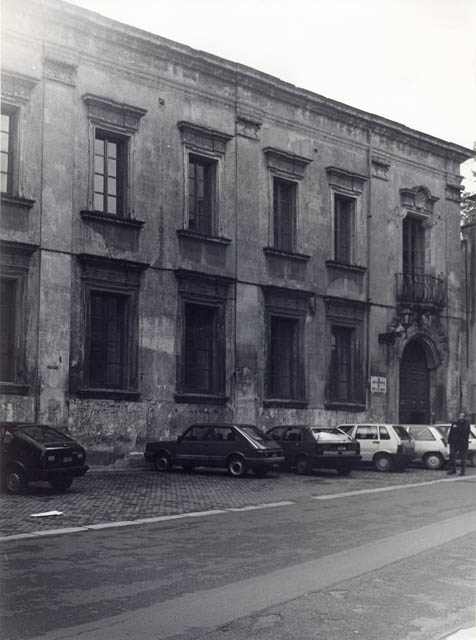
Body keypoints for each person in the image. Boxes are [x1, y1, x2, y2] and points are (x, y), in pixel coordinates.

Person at [447, 411, 471, 476]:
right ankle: (453, 469)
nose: (460, 417)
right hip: (454, 443)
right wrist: (449, 441)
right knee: (452, 457)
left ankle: (463, 471)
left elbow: (464, 432)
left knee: (463, 459)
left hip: (462, 444)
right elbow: (451, 432)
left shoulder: (467, 424)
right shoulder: (455, 423)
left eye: (462, 416)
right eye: (460, 415)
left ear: (464, 417)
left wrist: (456, 427)